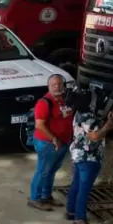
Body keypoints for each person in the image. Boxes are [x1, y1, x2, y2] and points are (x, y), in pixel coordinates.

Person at [65, 89, 113, 224]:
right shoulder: (89, 117)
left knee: (77, 184)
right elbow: (95, 136)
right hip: (89, 158)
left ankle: (71, 211)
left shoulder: (79, 113)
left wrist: (110, 122)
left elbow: (96, 129)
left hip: (79, 155)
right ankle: (80, 220)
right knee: (84, 189)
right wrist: (109, 125)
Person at [29, 74, 74, 211]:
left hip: (63, 142)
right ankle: (35, 198)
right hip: (47, 143)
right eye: (54, 84)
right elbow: (40, 125)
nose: (57, 87)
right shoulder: (44, 103)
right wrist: (54, 139)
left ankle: (46, 196)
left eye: (60, 84)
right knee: (43, 171)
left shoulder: (65, 100)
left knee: (51, 171)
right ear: (48, 86)